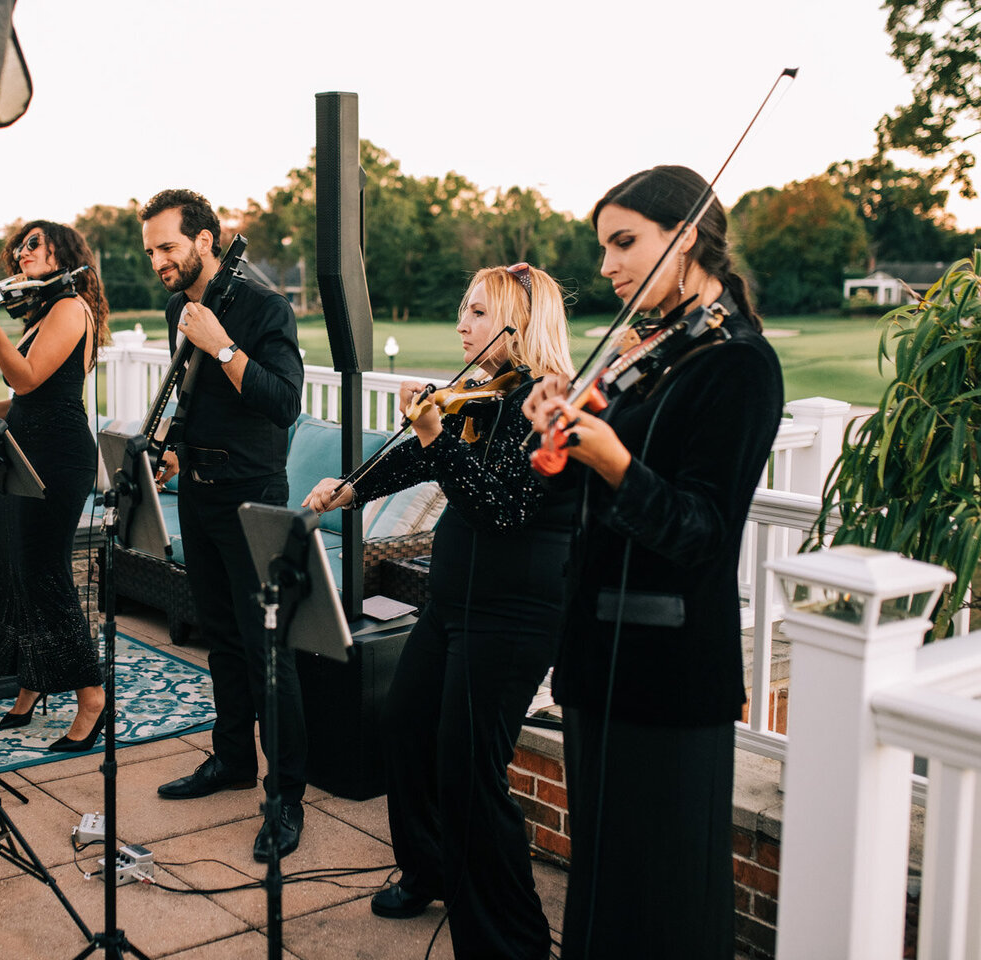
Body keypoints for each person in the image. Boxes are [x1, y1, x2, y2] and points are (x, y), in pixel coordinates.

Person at [523, 165, 784, 959]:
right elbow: (593, 503)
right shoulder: (657, 355)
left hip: (670, 676)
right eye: (603, 246)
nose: (607, 266)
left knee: (666, 898)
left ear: (690, 235)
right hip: (600, 659)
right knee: (606, 883)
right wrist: (561, 432)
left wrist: (615, 463)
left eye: (625, 242)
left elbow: (703, 531)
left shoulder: (738, 365)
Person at [305, 264, 575, 960]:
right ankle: (430, 869)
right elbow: (421, 464)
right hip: (453, 602)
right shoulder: (481, 396)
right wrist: (351, 487)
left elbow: (503, 508)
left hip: (512, 614)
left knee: (471, 771)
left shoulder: (549, 405)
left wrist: (435, 436)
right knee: (404, 727)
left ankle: (515, 938)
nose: (463, 324)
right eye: (464, 310)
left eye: (479, 313)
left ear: (519, 323)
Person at [141, 189, 307, 861]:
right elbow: (195, 399)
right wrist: (172, 452)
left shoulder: (268, 308)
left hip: (254, 498)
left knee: (272, 653)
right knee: (223, 640)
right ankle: (233, 759)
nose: (158, 262)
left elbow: (283, 403)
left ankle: (286, 798)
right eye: (151, 251)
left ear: (205, 240)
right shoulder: (177, 306)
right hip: (199, 494)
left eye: (169, 248)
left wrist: (224, 345)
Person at [0, 221, 110, 752]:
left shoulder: (70, 309)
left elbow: (24, 378)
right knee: (16, 572)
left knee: (45, 575)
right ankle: (31, 683)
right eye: (20, 245)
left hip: (58, 462)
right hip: (23, 455)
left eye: (34, 244)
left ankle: (92, 697)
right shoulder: (44, 313)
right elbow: (25, 400)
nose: (23, 252)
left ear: (62, 253)